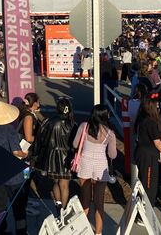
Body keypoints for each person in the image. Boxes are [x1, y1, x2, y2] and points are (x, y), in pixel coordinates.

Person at [0, 101, 28, 235]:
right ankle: (21, 231)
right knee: (18, 205)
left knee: (0, 203)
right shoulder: (9, 130)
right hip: (12, 173)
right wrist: (25, 153)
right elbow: (16, 152)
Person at [72, 105, 117, 235]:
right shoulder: (109, 133)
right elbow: (112, 155)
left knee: (85, 201)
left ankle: (84, 230)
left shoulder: (84, 126)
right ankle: (98, 232)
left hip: (85, 163)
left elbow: (75, 144)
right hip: (100, 166)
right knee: (99, 203)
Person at [34, 97, 77, 210]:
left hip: (52, 157)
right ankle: (64, 208)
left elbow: (42, 137)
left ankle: (58, 205)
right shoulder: (73, 124)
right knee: (64, 185)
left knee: (55, 182)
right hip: (67, 157)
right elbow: (75, 143)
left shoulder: (50, 122)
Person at [134, 93, 161, 207]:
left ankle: (142, 207)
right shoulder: (150, 122)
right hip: (148, 156)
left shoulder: (141, 117)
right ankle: (145, 209)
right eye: (156, 104)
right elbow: (157, 143)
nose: (158, 107)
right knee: (149, 185)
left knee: (145, 182)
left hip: (142, 152)